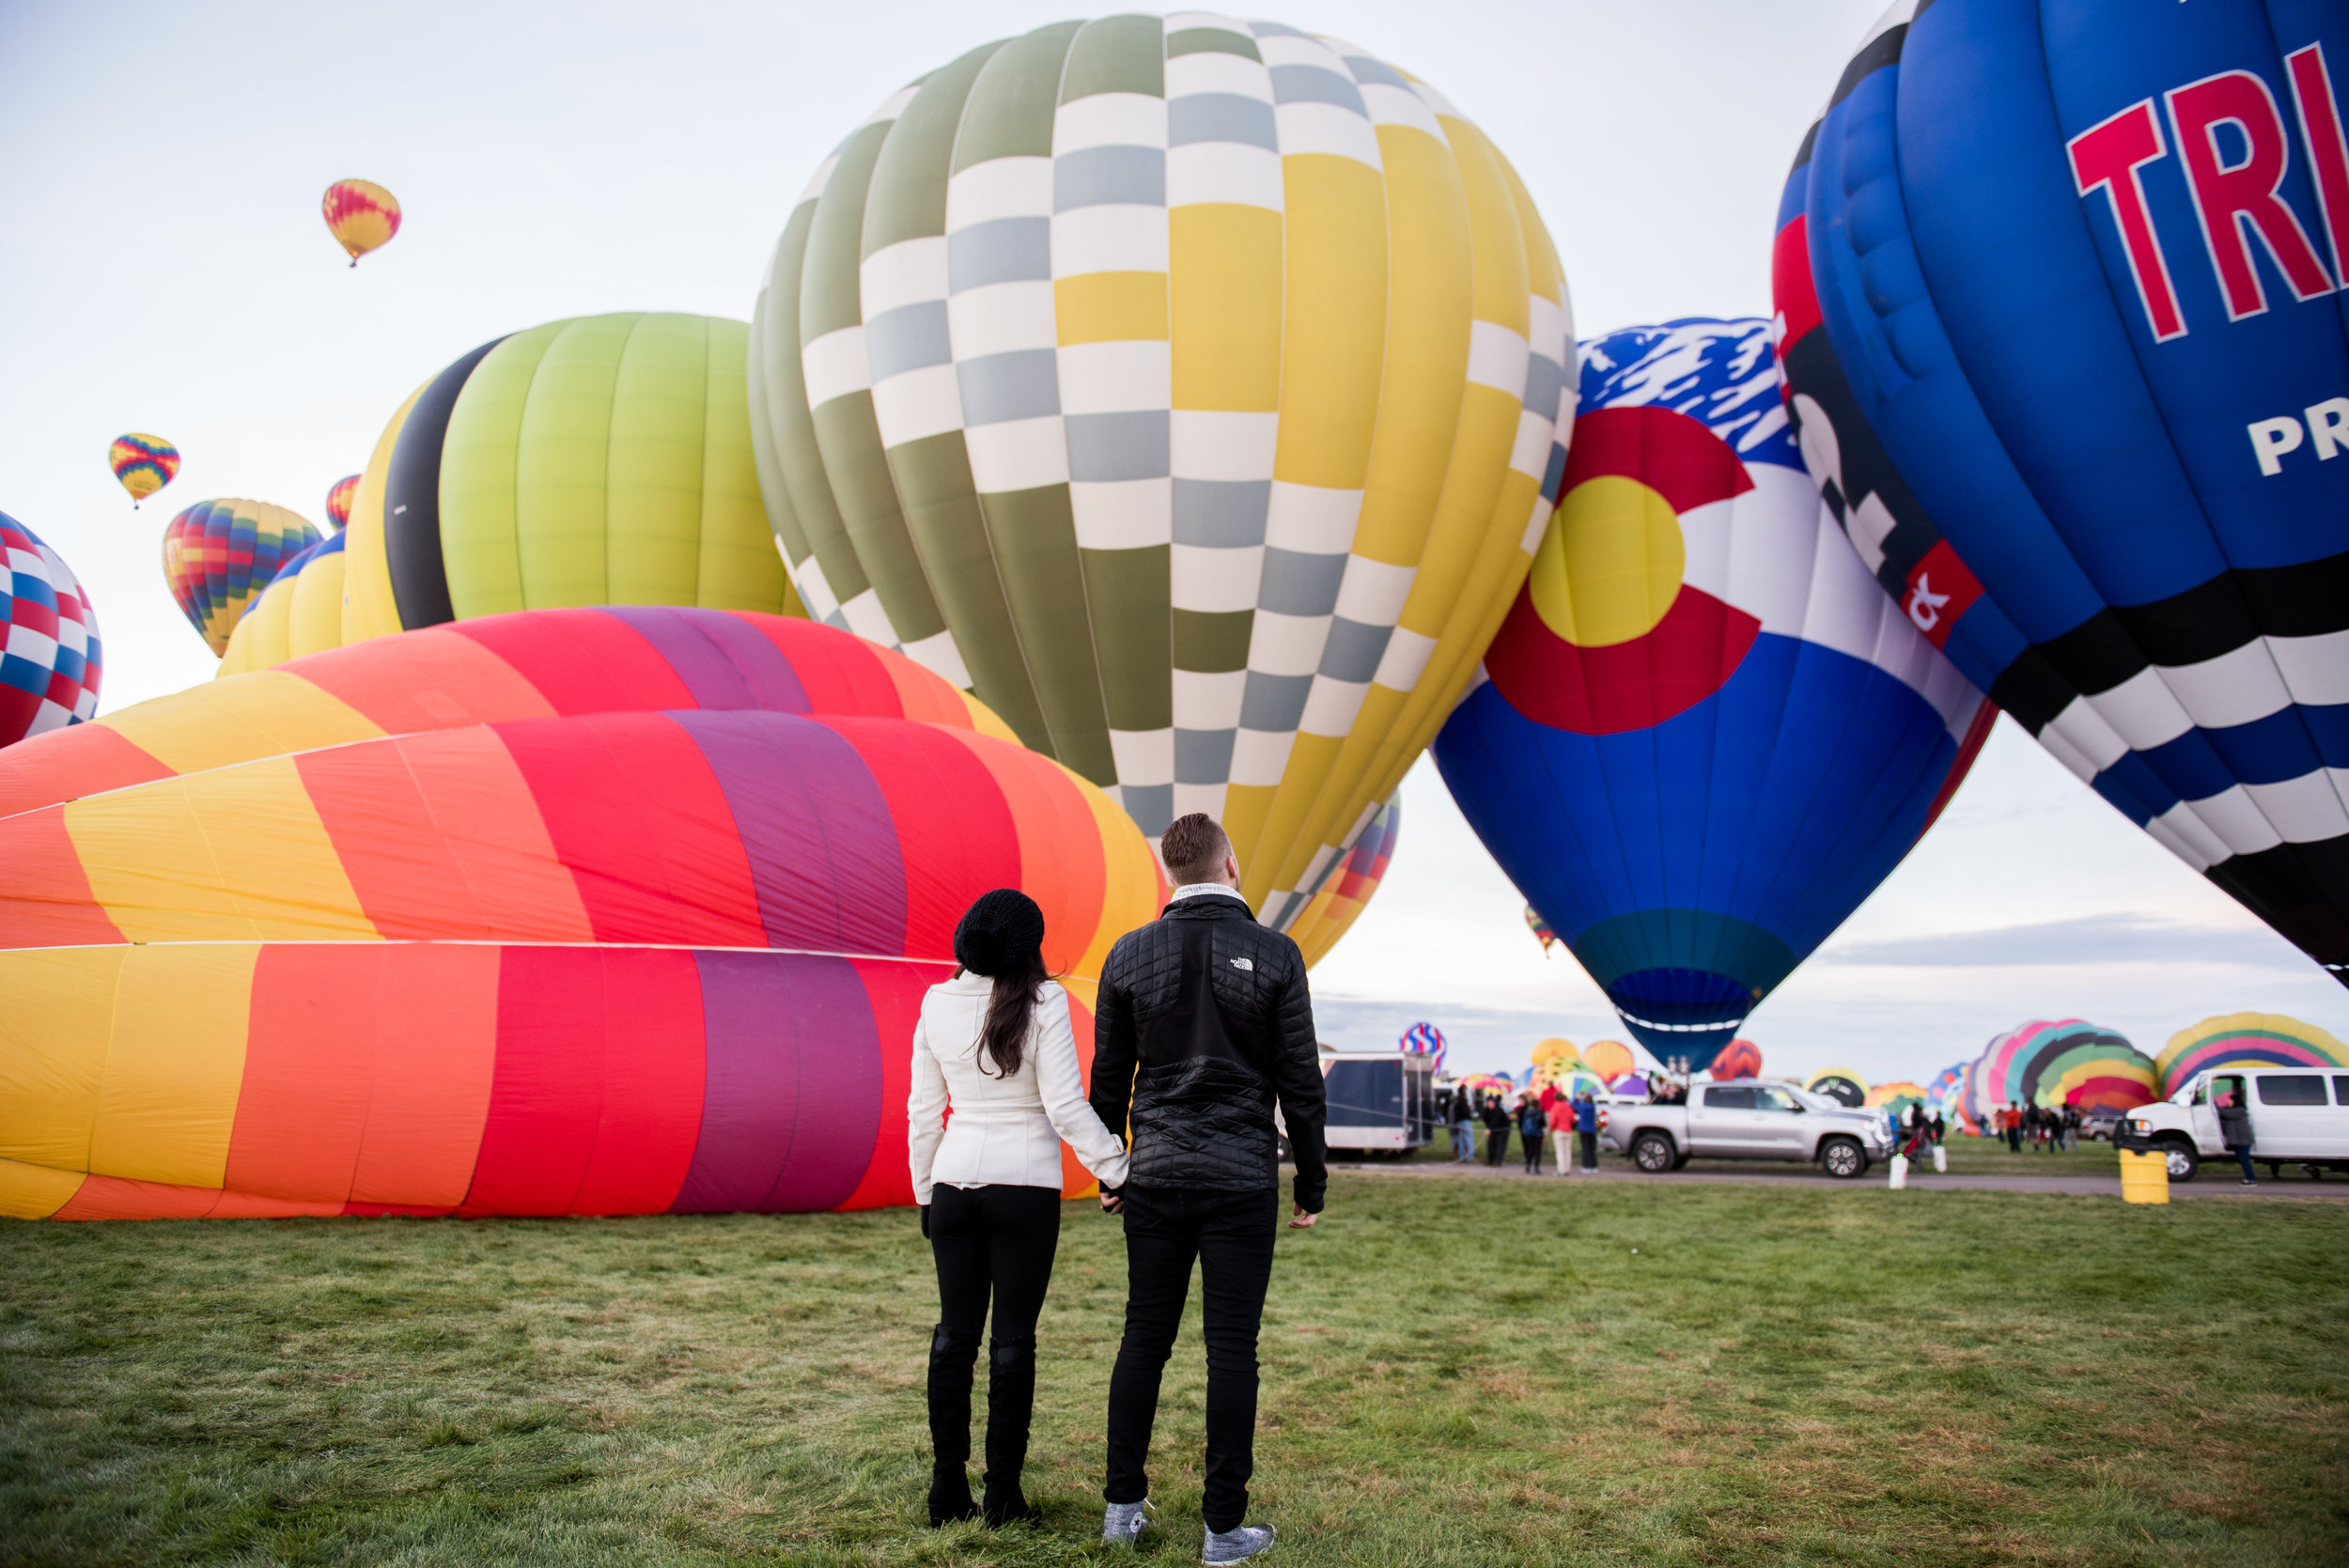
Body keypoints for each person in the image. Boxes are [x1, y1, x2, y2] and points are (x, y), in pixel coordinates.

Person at [1087, 814, 1326, 1563]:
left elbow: (1108, 1079)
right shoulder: (1277, 952)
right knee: (1232, 1350)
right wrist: (1311, 1182)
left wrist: (1110, 1167)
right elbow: (1300, 1084)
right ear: (1231, 867)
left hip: (1155, 1176)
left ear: (1169, 873)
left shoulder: (1127, 954)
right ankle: (1224, 1530)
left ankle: (1122, 1509)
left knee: (1143, 1336)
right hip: (1238, 1178)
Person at [908, 888, 1134, 1528]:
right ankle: (1003, 1495)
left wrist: (926, 1191)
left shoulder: (936, 1000)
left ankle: (946, 1488)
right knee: (1012, 1339)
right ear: (1027, 946)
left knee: (954, 1335)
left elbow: (923, 1112)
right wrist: (1117, 1170)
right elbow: (1064, 1107)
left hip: (954, 1183)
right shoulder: (1045, 1000)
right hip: (1025, 1189)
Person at [2215, 1082, 2257, 1186]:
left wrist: (2215, 1105)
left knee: (2244, 1159)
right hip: (2240, 1140)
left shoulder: (2239, 1111)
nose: (2228, 1102)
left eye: (2230, 1100)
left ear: (2235, 1101)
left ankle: (2251, 1179)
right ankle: (2249, 1178)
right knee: (2242, 1158)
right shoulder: (2237, 1110)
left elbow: (2225, 1113)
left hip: (2243, 1140)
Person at [1517, 1093, 1547, 1174]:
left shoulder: (1527, 1112)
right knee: (1537, 1151)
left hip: (1528, 1133)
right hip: (1537, 1133)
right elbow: (1543, 1124)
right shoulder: (1539, 1113)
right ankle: (1536, 1167)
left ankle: (1528, 1165)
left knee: (1530, 1149)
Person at [1572, 1089, 1600, 1172]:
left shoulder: (1582, 1107)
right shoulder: (1593, 1107)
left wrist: (1577, 1097)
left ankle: (1586, 1166)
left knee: (1585, 1149)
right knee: (1592, 1149)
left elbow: (1574, 1105)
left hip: (1584, 1130)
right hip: (1592, 1130)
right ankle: (1594, 1166)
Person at [1481, 1093, 1512, 1166]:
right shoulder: (1486, 1111)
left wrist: (1490, 1128)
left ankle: (1498, 1161)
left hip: (1502, 1129)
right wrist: (1488, 1128)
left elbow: (1495, 1121)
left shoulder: (1498, 1110)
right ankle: (1490, 1160)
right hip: (1493, 1130)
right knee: (1491, 1144)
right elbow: (1486, 1119)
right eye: (1489, 1103)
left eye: (1492, 1103)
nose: (1490, 1104)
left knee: (1500, 1145)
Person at [1450, 1086, 1477, 1163]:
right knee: (1469, 1138)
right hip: (1465, 1121)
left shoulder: (1457, 1099)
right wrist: (1468, 1110)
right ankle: (1470, 1157)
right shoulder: (1462, 1099)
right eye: (1465, 1090)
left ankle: (1461, 1156)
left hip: (1459, 1121)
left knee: (1461, 1139)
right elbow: (1465, 1111)